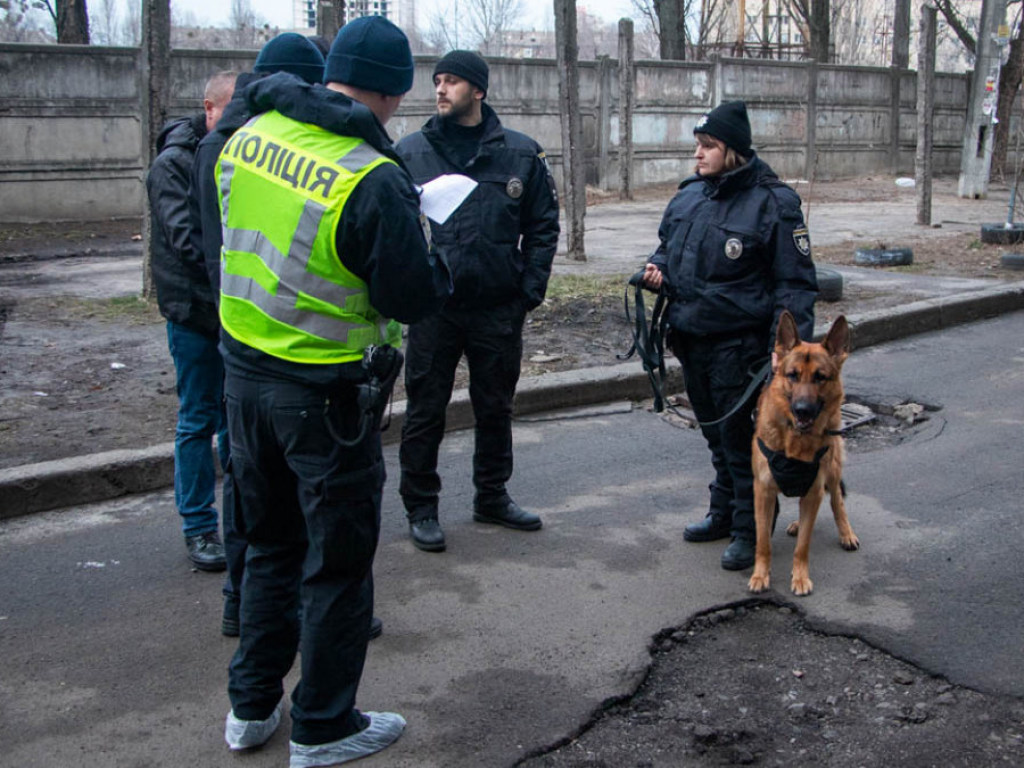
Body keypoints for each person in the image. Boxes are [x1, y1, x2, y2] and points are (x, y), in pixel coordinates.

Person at [216, 17, 451, 766]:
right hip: (325, 399)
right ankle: (323, 725)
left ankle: (251, 709)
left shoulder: (248, 133)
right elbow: (410, 296)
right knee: (338, 566)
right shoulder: (370, 174)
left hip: (244, 377)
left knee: (268, 549)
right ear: (390, 91)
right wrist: (430, 248)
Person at [188, 33, 335, 638]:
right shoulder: (254, 147)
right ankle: (273, 604)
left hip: (240, 332)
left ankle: (240, 602)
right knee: (274, 489)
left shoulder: (226, 142)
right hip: (269, 341)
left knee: (249, 481)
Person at [395, 50, 560, 553]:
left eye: (452, 82)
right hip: (435, 309)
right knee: (425, 409)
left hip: (496, 307)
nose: (440, 89)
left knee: (495, 406)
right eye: (437, 81)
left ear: (479, 91)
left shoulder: (519, 154)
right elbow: (393, 232)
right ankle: (421, 507)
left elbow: (542, 228)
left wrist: (527, 293)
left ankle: (491, 495)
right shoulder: (410, 153)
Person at [642, 100, 818, 571]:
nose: (697, 156)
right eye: (697, 146)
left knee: (744, 444)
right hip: (692, 336)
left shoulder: (773, 203)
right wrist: (656, 268)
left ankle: (749, 529)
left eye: (708, 147)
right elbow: (667, 246)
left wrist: (786, 359)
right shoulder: (690, 195)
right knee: (716, 438)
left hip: (740, 347)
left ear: (733, 151)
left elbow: (794, 284)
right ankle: (723, 513)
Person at [146, 70, 237, 572]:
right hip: (194, 314)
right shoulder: (173, 165)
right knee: (198, 419)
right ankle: (199, 526)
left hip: (229, 311)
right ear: (208, 107)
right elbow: (188, 241)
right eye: (230, 110)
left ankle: (236, 521)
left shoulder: (232, 156)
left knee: (232, 422)